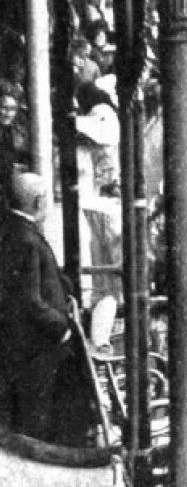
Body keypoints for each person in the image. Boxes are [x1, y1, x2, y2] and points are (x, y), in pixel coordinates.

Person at [0, 172, 75, 441]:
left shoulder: (17, 233)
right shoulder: (27, 240)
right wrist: (62, 328)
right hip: (38, 351)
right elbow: (30, 301)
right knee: (36, 427)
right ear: (40, 202)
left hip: (24, 350)